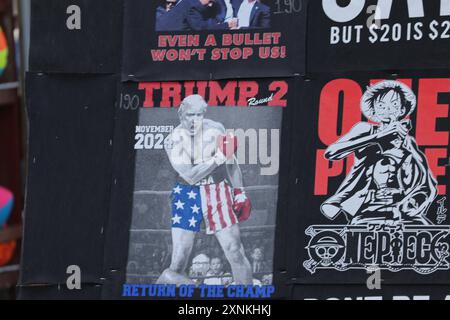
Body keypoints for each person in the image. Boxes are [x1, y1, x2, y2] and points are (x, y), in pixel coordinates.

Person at [156, 94, 253, 285]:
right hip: (187, 193)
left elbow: (231, 163)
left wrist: (240, 192)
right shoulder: (173, 140)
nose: (194, 120)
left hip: (217, 191)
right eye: (190, 115)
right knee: (178, 264)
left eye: (199, 115)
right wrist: (218, 158)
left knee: (235, 251)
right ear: (180, 114)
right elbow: (190, 176)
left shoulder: (216, 129)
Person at [321, 80, 437, 226]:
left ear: (402, 110)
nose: (388, 110)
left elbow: (424, 181)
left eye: (394, 105)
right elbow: (331, 153)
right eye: (381, 106)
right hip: (367, 205)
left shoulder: (408, 141)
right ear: (374, 110)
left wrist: (410, 201)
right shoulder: (365, 129)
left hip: (400, 209)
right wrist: (376, 138)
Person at [156, 0, 238, 31]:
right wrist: (227, 25)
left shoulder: (190, 3)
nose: (210, 5)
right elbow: (202, 28)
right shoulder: (193, 7)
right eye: (210, 1)